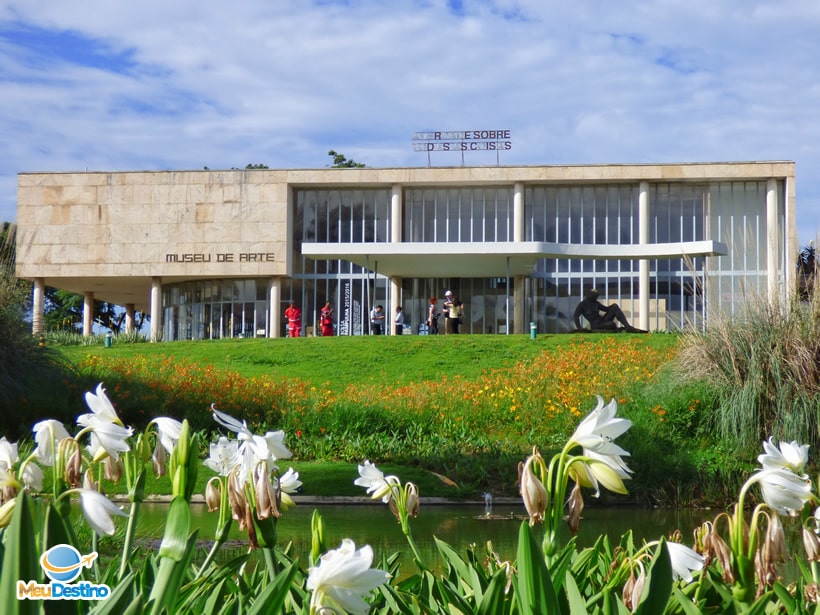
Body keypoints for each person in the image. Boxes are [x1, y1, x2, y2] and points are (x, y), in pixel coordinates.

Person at [573, 289, 644, 332]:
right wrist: (579, 328)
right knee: (611, 324)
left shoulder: (596, 303)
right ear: (591, 296)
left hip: (602, 321)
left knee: (614, 307)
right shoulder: (582, 304)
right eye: (595, 296)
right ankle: (615, 327)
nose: (596, 297)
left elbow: (606, 309)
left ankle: (627, 326)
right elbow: (576, 317)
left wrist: (613, 307)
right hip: (596, 325)